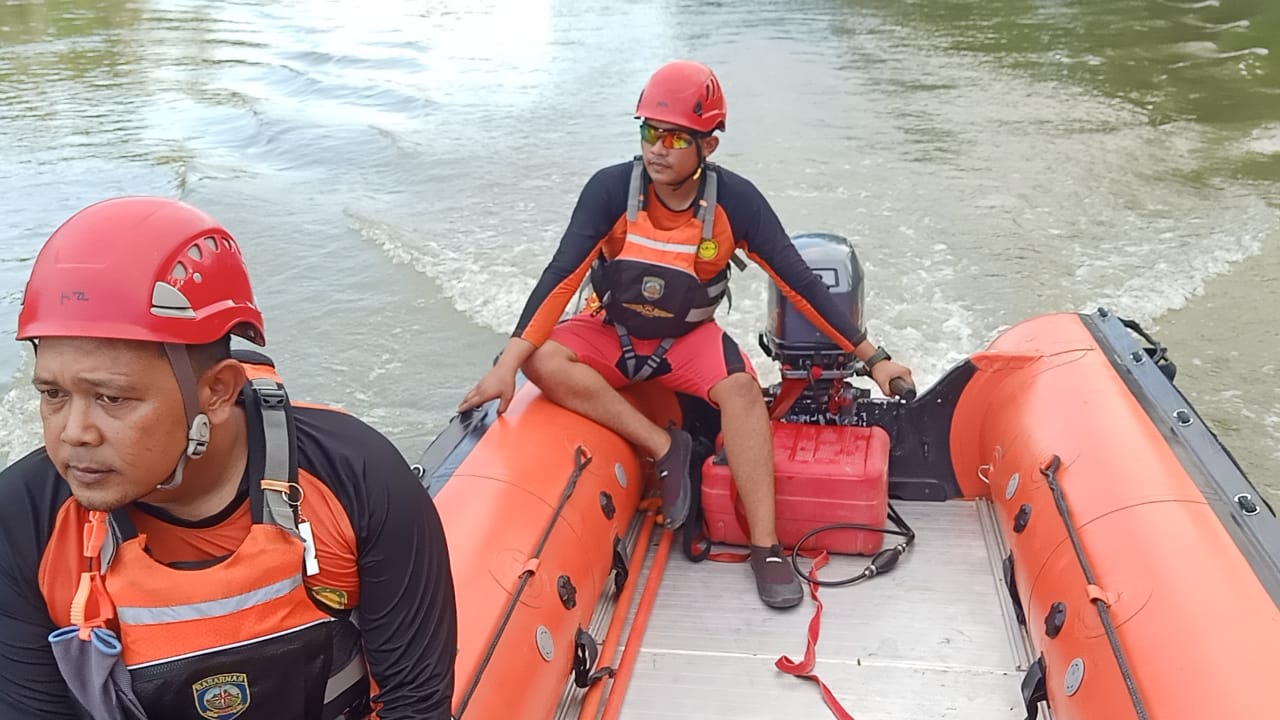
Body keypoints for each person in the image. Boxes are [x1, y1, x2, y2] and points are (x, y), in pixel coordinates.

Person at [457, 60, 914, 609]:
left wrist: (874, 358)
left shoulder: (735, 203)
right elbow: (561, 278)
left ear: (709, 146)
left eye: (675, 137)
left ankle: (765, 549)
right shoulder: (608, 191)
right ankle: (663, 447)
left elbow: (799, 284)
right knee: (541, 360)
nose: (658, 148)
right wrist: (506, 365)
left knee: (743, 393)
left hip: (686, 342)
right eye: (650, 131)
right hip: (614, 330)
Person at [0, 197, 457, 719]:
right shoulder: (23, 521)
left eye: (112, 398)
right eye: (53, 394)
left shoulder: (357, 476)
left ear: (216, 391)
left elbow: (416, 702)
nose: (73, 434)